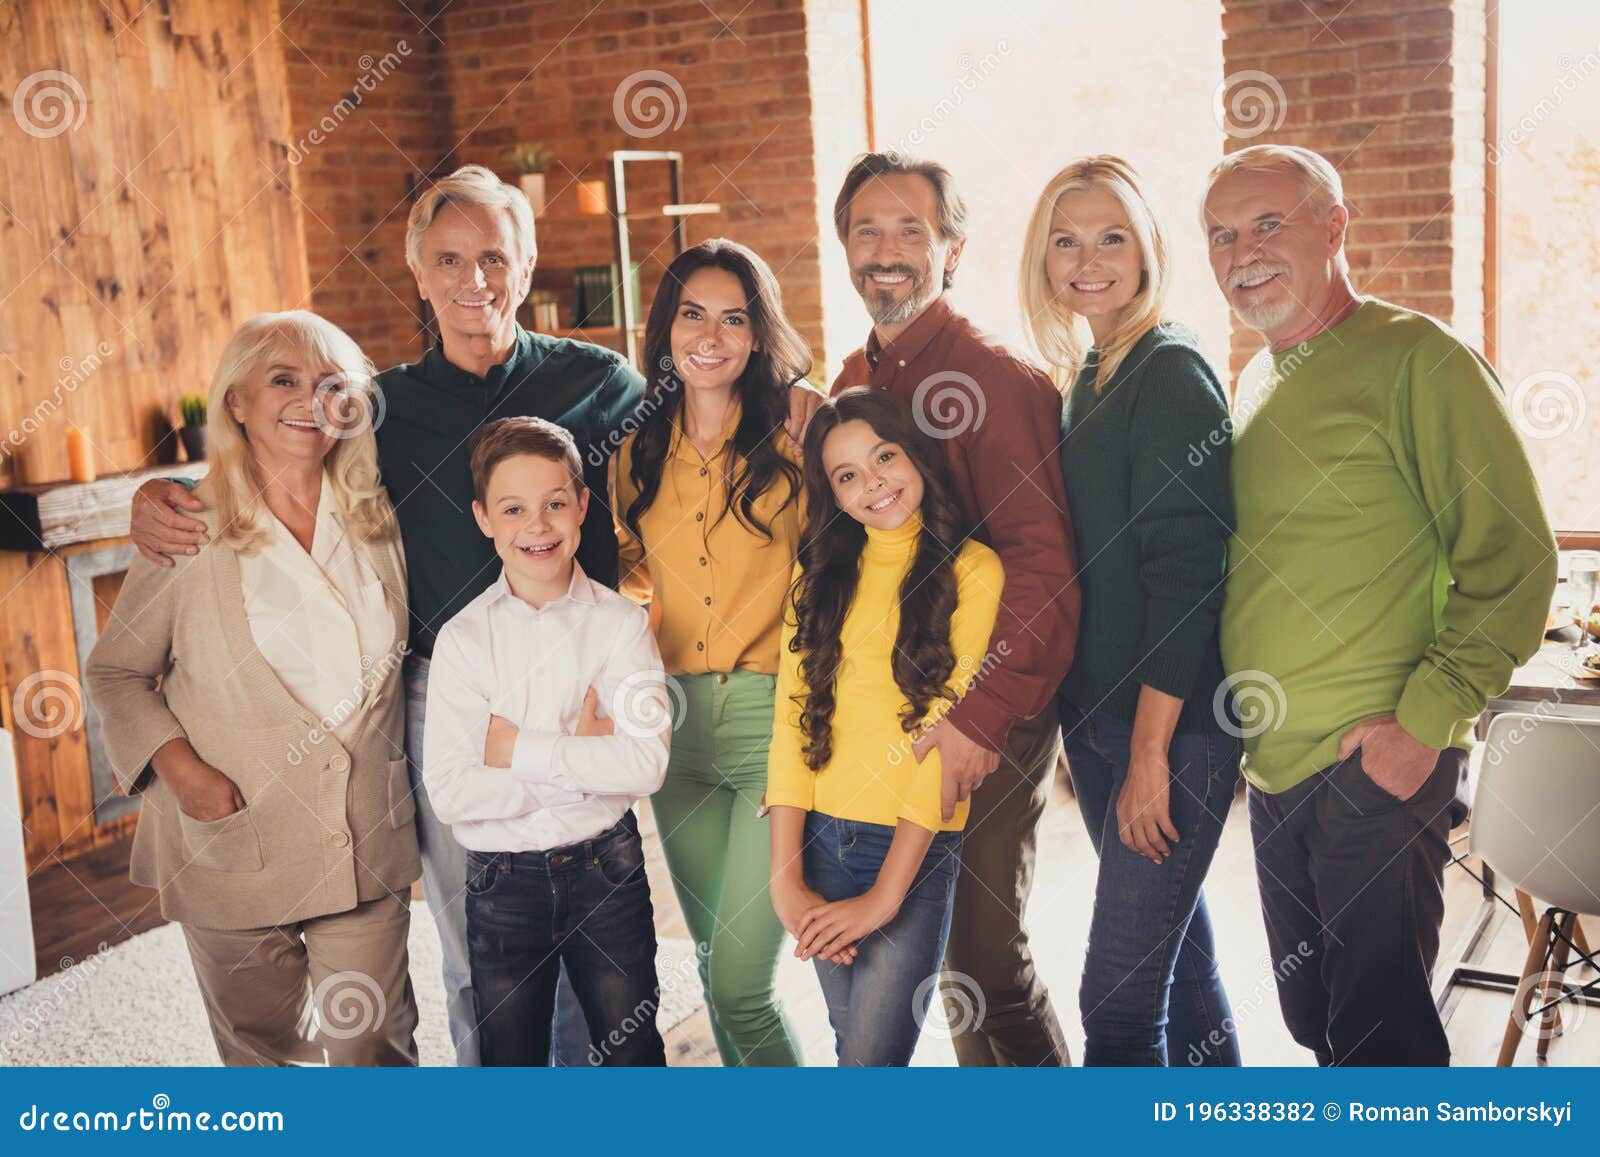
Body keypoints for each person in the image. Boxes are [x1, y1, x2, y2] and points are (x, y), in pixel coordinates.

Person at [125, 165, 820, 1066]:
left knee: (600, 941)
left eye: (494, 257)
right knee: (480, 941)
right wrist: (162, 491)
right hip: (448, 700)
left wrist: (802, 394)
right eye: (449, 260)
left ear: (525, 266)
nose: (473, 280)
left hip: (586, 693)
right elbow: (268, 451)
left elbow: (713, 411)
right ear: (419, 275)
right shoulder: (379, 408)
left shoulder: (603, 384)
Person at [1203, 144, 1557, 1065]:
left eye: (1268, 222)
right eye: (1223, 233)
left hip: (1375, 754)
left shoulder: (1419, 359)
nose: (1243, 251)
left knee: (1381, 1033)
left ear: (1335, 225)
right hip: (1275, 766)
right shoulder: (1254, 380)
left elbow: (1515, 557)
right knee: (1314, 1019)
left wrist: (1425, 721)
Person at [86, 311, 420, 1065]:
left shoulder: (381, 510)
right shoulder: (186, 525)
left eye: (331, 384)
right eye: (283, 380)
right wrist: (181, 771)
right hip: (230, 833)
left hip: (364, 828)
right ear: (235, 400)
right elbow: (117, 672)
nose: (310, 399)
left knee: (376, 1045)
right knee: (263, 1056)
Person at [830, 151, 1080, 1066]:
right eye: (867, 230)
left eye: (911, 230)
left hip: (990, 714)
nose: (886, 250)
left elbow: (1044, 567)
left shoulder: (997, 379)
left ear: (952, 250)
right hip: (895, 717)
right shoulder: (856, 372)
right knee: (941, 962)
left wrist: (980, 716)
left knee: (985, 960)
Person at [1019, 155, 1242, 1067]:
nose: (1089, 259)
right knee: (1181, 971)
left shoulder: (1171, 368)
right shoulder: (1092, 372)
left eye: (1113, 236)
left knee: (1114, 1003)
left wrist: (1151, 752)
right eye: (1066, 240)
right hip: (1105, 720)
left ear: (1148, 247)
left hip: (1173, 730)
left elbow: (1189, 574)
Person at [612, 239, 816, 1065]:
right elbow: (628, 574)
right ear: (666, 329)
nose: (711, 333)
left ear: (758, 335)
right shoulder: (636, 450)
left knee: (740, 984)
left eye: (734, 318)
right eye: (692, 313)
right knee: (709, 964)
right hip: (677, 730)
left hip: (775, 725)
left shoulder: (799, 433)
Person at [423, 416, 670, 1066]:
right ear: (484, 518)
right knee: (511, 1062)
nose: (537, 525)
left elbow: (644, 761)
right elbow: (450, 792)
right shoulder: (463, 640)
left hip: (606, 872)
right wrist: (583, 758)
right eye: (513, 508)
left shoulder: (619, 625)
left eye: (555, 503)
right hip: (502, 884)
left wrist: (515, 748)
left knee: (632, 1052)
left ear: (582, 506)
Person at [767, 387, 1003, 1066]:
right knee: (854, 1053)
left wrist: (885, 896)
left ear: (917, 456)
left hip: (911, 850)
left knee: (872, 1061)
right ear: (832, 494)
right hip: (815, 839)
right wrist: (786, 877)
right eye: (847, 475)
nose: (873, 484)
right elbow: (789, 720)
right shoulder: (816, 576)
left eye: (885, 457)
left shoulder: (974, 571)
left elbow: (944, 745)